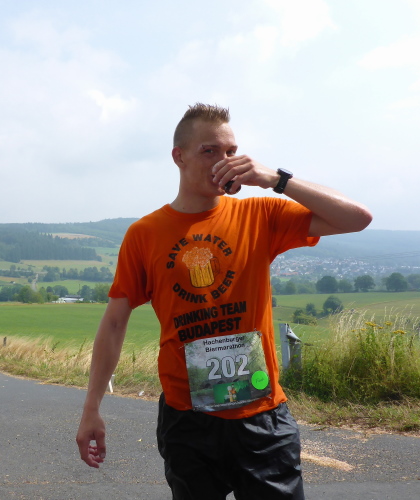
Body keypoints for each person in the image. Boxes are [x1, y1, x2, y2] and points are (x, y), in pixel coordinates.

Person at [76, 103, 372, 499]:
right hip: (188, 420)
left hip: (261, 415)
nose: (224, 161)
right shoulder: (144, 234)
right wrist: (91, 408)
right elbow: (114, 322)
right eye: (210, 151)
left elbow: (357, 217)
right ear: (179, 157)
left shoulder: (260, 214)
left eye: (231, 151)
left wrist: (277, 179)